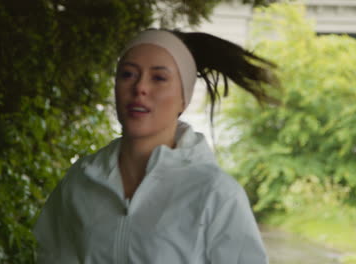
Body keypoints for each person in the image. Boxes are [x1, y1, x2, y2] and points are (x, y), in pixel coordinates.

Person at [33, 28, 278, 263]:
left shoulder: (215, 194)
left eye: (159, 78)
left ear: (184, 97)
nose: (140, 88)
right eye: (128, 74)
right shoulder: (81, 181)